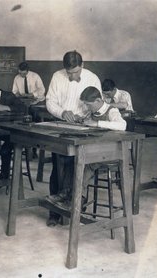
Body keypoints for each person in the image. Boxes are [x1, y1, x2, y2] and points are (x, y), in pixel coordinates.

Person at [45, 50, 101, 227]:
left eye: (76, 72)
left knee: (79, 166)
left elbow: (96, 104)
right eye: (69, 73)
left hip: (84, 125)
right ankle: (54, 212)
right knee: (58, 167)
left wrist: (85, 117)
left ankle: (76, 207)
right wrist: (62, 112)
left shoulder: (92, 78)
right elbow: (50, 101)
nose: (72, 76)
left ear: (82, 66)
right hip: (62, 124)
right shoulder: (57, 77)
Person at [79, 86, 126, 201]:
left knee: (82, 164)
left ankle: (79, 198)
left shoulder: (112, 111)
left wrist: (97, 123)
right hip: (96, 150)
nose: (86, 107)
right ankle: (73, 195)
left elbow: (122, 125)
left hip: (111, 152)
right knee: (73, 161)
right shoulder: (92, 111)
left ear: (98, 101)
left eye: (89, 105)